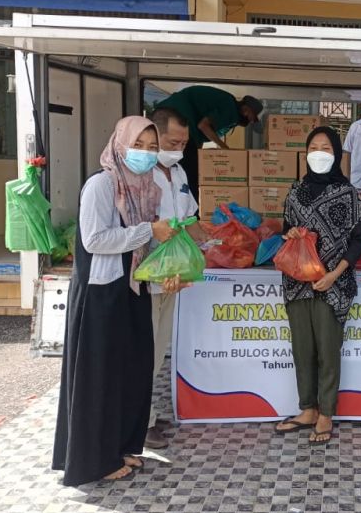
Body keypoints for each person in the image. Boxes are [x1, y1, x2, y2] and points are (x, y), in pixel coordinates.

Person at [52, 115, 185, 486]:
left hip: (135, 288)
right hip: (103, 294)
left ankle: (124, 445)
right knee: (103, 379)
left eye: (151, 146)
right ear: (119, 144)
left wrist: (172, 272)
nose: (145, 153)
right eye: (137, 145)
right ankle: (95, 460)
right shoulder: (101, 185)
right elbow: (95, 240)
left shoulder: (145, 187)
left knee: (132, 373)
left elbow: (152, 245)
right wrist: (147, 230)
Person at [275, 126, 361, 445]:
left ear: (337, 154)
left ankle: (326, 412)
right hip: (297, 282)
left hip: (332, 284)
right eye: (314, 147)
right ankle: (308, 409)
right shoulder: (295, 191)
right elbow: (285, 228)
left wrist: (335, 274)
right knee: (302, 350)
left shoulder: (349, 193)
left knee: (328, 350)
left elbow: (358, 242)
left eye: (326, 148)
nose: (319, 153)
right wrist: (290, 235)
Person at [144, 107, 207, 450]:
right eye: (172, 141)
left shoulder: (179, 172)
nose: (178, 148)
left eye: (183, 142)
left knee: (159, 349)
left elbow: (191, 219)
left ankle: (149, 413)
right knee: (144, 353)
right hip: (147, 277)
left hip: (174, 276)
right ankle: (141, 421)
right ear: (154, 135)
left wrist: (214, 244)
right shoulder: (138, 178)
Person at [155, 86, 264, 196]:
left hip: (173, 115)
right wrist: (225, 149)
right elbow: (203, 126)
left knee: (187, 169)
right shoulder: (231, 109)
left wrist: (199, 153)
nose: (250, 121)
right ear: (246, 110)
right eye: (252, 117)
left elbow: (200, 132)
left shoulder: (230, 107)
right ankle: (192, 208)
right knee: (191, 174)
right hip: (176, 117)